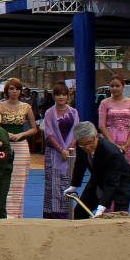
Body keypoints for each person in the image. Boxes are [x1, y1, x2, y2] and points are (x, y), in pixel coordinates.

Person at [65, 121, 130, 218]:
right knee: (79, 212)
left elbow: (111, 183)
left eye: (90, 143)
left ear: (97, 137)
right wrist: (74, 185)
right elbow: (80, 165)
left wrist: (101, 208)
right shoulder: (80, 144)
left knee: (119, 217)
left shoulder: (111, 152)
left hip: (122, 182)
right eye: (83, 144)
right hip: (98, 179)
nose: (87, 147)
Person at [0, 78, 38, 218]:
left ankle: (16, 214)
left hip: (21, 146)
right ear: (7, 90)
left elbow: (34, 129)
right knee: (4, 179)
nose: (14, 91)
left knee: (19, 181)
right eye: (12, 89)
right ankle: (3, 212)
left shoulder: (26, 107)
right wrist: (5, 134)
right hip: (3, 145)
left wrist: (21, 134)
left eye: (17, 89)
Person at [43, 82, 79, 219]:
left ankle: (68, 213)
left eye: (64, 94)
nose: (61, 97)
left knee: (68, 181)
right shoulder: (49, 113)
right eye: (58, 94)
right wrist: (61, 150)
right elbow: (49, 134)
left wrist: (69, 149)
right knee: (53, 184)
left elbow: (77, 132)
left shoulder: (74, 112)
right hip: (53, 153)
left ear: (68, 96)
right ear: (54, 96)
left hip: (70, 153)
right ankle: (52, 214)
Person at [98, 75, 130, 166]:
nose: (114, 88)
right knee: (109, 168)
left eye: (117, 86)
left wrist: (127, 145)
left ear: (123, 87)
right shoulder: (104, 103)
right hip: (109, 140)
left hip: (127, 140)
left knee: (126, 169)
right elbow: (101, 125)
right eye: (112, 86)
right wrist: (113, 144)